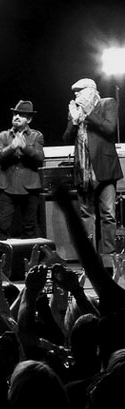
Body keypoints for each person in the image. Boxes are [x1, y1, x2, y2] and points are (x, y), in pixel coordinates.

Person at [63, 78, 123, 270]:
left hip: (104, 169)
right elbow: (66, 138)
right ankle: (90, 260)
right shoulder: (76, 111)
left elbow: (109, 129)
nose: (76, 95)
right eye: (75, 92)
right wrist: (73, 121)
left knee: (108, 215)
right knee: (86, 215)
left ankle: (108, 259)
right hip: (83, 171)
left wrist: (88, 112)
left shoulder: (107, 103)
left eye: (79, 91)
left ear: (91, 91)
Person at [0, 100, 44, 240]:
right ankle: (0, 259)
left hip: (29, 187)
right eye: (15, 114)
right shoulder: (3, 135)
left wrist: (25, 147)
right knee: (2, 225)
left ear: (29, 119)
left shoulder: (36, 136)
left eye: (21, 115)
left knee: (30, 227)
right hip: (7, 185)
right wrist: (12, 147)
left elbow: (40, 158)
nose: (16, 117)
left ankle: (30, 260)